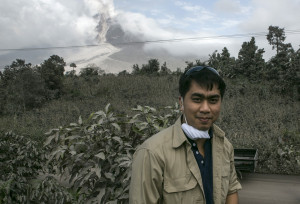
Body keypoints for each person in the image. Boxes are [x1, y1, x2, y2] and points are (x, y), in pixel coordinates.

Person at [129, 66, 242, 204]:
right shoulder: (151, 153)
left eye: (213, 100)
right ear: (181, 103)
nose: (205, 108)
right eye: (197, 99)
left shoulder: (225, 146)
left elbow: (231, 190)